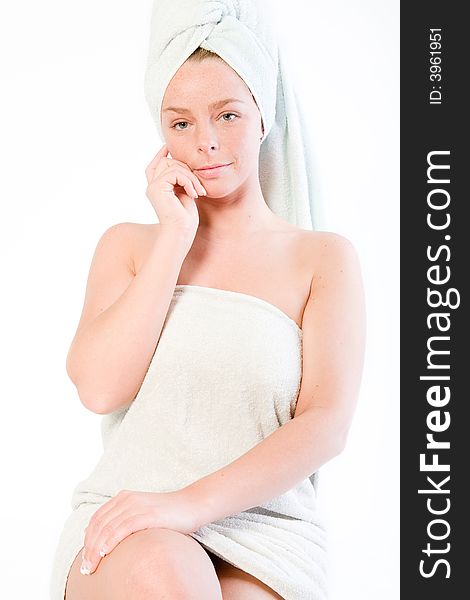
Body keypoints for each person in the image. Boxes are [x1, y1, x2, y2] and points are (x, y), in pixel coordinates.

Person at [49, 28, 365, 600]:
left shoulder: (323, 259)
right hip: (133, 514)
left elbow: (325, 423)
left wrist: (190, 505)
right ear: (162, 135)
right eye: (181, 123)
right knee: (166, 570)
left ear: (263, 117)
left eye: (227, 115)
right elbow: (98, 388)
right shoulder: (129, 246)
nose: (207, 142)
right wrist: (175, 236)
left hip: (268, 531)